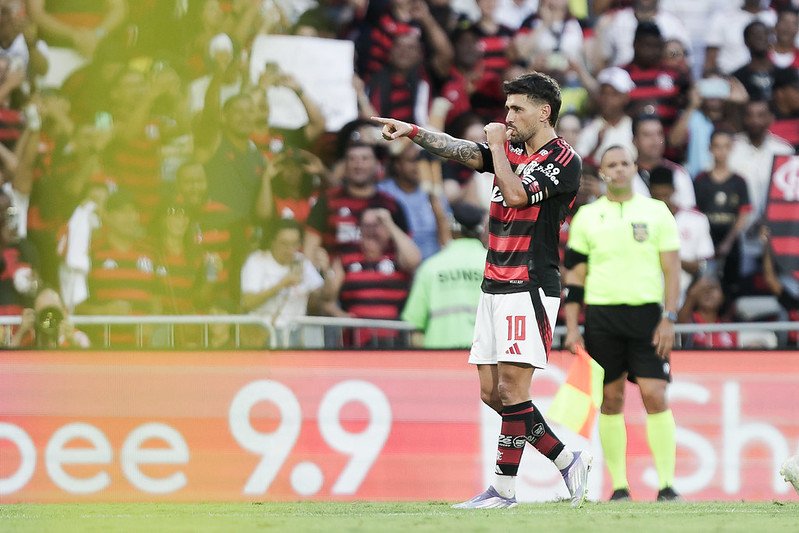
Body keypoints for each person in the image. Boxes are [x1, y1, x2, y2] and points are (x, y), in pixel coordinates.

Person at [373, 71, 591, 509]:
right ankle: (567, 458)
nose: (507, 117)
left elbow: (513, 196)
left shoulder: (563, 159)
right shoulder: (508, 150)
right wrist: (413, 131)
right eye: (506, 108)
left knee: (514, 392)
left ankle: (503, 491)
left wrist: (495, 146)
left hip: (529, 282)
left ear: (544, 111)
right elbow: (459, 150)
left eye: (517, 108)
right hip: (494, 282)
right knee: (493, 395)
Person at [563, 144, 681, 502]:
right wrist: (571, 326)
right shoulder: (587, 216)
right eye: (611, 165)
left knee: (654, 394)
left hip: (647, 316)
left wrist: (669, 317)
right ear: (602, 172)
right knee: (610, 399)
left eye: (625, 164)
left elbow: (671, 269)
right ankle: (619, 487)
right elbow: (575, 275)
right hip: (602, 317)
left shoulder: (657, 212)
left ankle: (666, 486)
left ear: (635, 168)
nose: (618, 170)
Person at [401, 201, 487, 349]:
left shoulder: (431, 267)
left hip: (438, 355)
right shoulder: (494, 266)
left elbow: (414, 323)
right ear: (482, 230)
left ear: (452, 227)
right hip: (484, 355)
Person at [8, 286, 90, 348]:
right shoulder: (27, 336)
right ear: (35, 314)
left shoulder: (77, 337)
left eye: (53, 312)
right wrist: (21, 331)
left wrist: (72, 339)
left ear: (64, 312)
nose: (49, 318)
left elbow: (87, 362)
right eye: (44, 313)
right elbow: (7, 362)